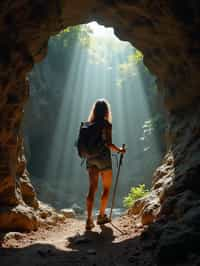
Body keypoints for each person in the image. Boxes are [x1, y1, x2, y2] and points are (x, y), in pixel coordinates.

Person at [85, 98, 126, 230]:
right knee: (106, 188)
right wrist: (119, 150)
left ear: (95, 110)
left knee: (92, 189)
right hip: (103, 159)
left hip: (90, 159)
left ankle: (88, 220)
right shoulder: (106, 124)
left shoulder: (88, 125)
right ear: (106, 111)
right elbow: (108, 144)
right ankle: (101, 216)